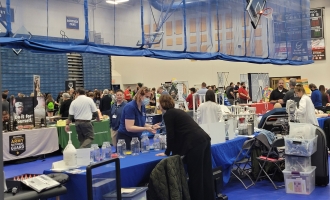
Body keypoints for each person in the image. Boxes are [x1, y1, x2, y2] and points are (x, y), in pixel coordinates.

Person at [156, 94, 215, 200]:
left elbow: (171, 135)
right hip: (204, 139)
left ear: (162, 104)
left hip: (195, 144)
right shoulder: (178, 112)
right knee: (206, 174)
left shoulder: (168, 114)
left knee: (195, 176)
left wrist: (167, 152)